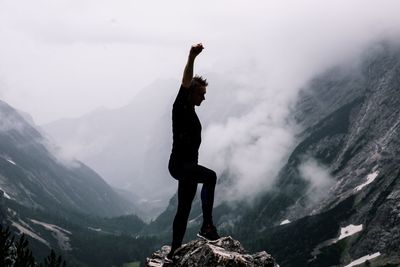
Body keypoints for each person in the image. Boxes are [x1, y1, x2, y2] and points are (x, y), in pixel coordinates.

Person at [166, 43, 220, 262]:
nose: (204, 98)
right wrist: (191, 56)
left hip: (186, 165)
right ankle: (207, 226)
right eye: (202, 93)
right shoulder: (181, 106)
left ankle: (173, 252)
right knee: (211, 176)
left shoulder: (192, 111)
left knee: (184, 209)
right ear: (191, 92)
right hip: (179, 165)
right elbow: (186, 80)